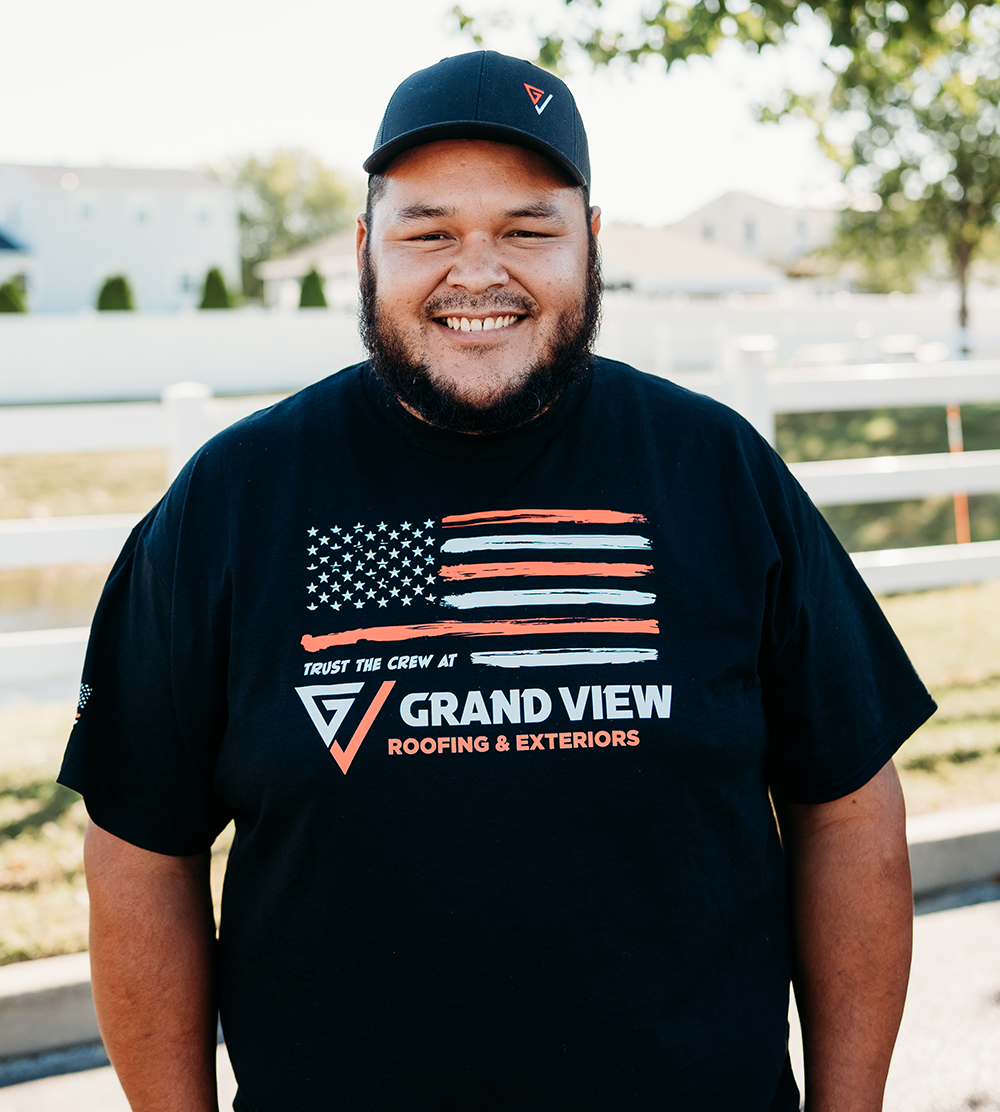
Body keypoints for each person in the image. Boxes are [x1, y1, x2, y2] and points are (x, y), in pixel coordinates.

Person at [61, 50, 935, 1112]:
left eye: (528, 229)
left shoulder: (716, 471)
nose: (478, 273)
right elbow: (139, 844)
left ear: (592, 244)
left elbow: (844, 808)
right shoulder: (232, 500)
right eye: (428, 231)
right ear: (365, 249)